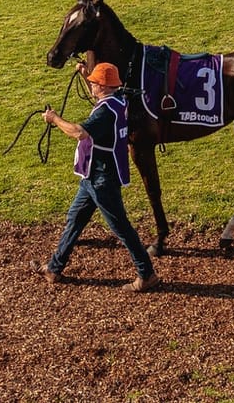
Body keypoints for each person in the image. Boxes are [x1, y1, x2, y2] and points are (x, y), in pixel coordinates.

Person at [38, 61, 159, 292]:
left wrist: (54, 119)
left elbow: (79, 132)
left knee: (122, 228)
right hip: (93, 176)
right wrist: (86, 75)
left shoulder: (105, 112)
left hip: (101, 179)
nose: (91, 84)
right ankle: (54, 268)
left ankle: (147, 274)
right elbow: (101, 98)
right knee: (75, 218)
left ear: (102, 85)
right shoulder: (117, 100)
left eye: (94, 81)